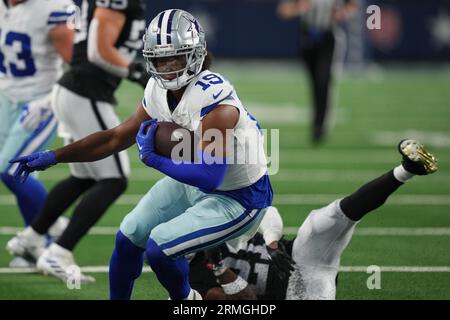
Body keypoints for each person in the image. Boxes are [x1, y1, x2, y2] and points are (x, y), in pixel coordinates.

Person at [9, 9, 273, 300]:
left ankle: (188, 301)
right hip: (194, 182)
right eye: (160, 58)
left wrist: (155, 159)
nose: (168, 66)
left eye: (176, 56)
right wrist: (55, 155)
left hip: (239, 197)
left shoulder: (216, 101)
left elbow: (211, 176)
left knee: (159, 249)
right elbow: (114, 138)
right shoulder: (156, 89)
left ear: (196, 54)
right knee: (128, 237)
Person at [7, 0, 148, 282]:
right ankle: (59, 252)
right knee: (114, 180)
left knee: (85, 176)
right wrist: (138, 73)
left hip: (77, 90)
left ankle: (30, 238)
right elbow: (98, 51)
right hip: (86, 92)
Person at [189, 139, 438, 299]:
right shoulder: (192, 274)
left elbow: (267, 212)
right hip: (295, 294)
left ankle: (406, 171)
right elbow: (245, 301)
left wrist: (273, 244)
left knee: (323, 220)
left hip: (300, 258)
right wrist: (219, 267)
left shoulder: (219, 217)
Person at [0, 0, 74, 267]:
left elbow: (75, 64)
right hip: (6, 96)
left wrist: (49, 100)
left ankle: (52, 231)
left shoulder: (52, 7)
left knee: (10, 168)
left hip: (40, 102)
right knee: (13, 171)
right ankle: (35, 246)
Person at [277, 0, 358, 143]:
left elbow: (352, 5)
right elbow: (283, 10)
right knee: (315, 82)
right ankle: (318, 122)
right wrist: (298, 8)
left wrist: (342, 13)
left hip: (328, 37)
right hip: (307, 37)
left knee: (323, 80)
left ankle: (320, 125)